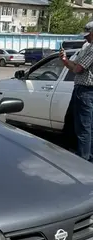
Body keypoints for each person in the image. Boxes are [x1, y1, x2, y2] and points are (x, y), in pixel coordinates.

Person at [60, 21, 93, 161]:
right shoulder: (88, 47)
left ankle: (83, 159)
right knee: (85, 126)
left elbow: (79, 69)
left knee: (83, 127)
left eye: (88, 35)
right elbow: (76, 66)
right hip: (83, 90)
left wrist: (73, 67)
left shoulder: (92, 49)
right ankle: (87, 156)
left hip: (86, 90)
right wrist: (65, 61)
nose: (86, 38)